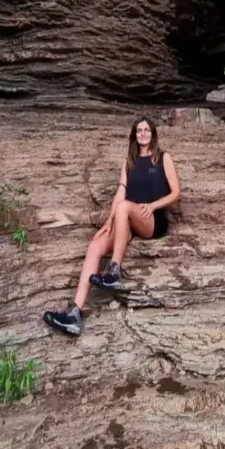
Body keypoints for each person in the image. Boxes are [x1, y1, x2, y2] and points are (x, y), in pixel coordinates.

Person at [43, 116, 180, 337]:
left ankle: (114, 272)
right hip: (128, 218)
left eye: (147, 130)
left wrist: (153, 205)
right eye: (139, 130)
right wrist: (108, 223)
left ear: (153, 134)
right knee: (95, 247)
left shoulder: (163, 158)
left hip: (152, 221)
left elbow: (176, 193)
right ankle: (75, 314)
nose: (143, 134)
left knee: (125, 207)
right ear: (134, 135)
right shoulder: (129, 162)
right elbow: (120, 194)